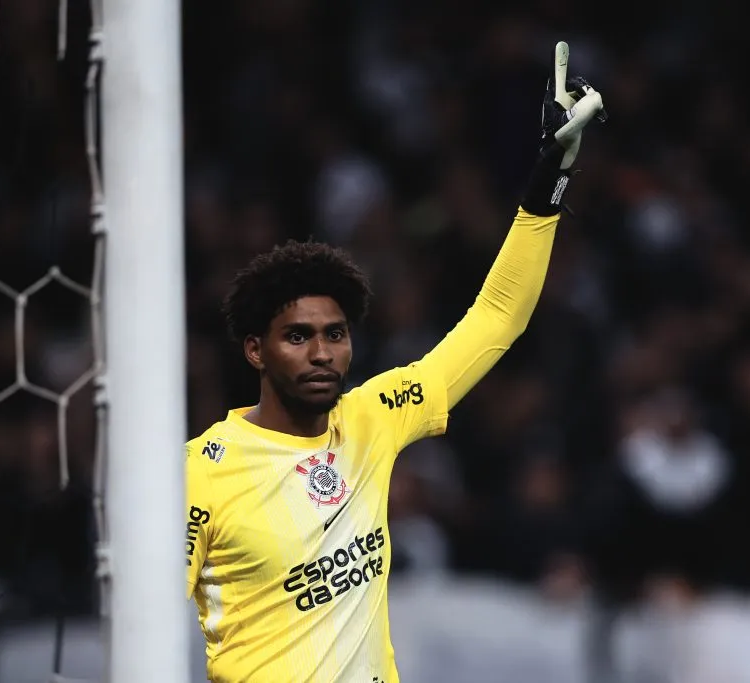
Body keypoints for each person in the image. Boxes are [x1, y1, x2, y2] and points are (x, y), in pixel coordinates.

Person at [185, 42, 606, 683]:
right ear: (255, 350)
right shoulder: (201, 473)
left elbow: (497, 319)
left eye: (335, 334)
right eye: (297, 336)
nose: (323, 351)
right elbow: (142, 624)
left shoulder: (374, 417)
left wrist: (544, 189)